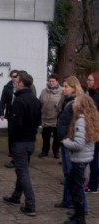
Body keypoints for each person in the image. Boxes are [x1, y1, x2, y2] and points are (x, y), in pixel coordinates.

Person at [3, 71, 41, 217]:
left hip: (20, 142)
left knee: (23, 172)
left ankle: (30, 205)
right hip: (31, 141)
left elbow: (15, 124)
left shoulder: (19, 101)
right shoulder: (35, 100)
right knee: (21, 170)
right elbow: (38, 121)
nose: (14, 84)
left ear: (21, 84)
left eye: (16, 81)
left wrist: (12, 142)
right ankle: (16, 196)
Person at [62, 94, 99, 224]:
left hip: (79, 160)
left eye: (75, 102)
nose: (73, 104)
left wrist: (66, 142)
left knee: (76, 188)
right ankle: (78, 213)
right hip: (85, 158)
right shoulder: (90, 118)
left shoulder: (81, 121)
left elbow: (78, 144)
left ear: (81, 106)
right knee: (73, 185)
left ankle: (80, 217)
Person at [55, 76, 88, 212]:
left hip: (70, 143)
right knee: (68, 173)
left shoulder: (76, 102)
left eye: (66, 86)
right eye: (63, 86)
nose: (63, 88)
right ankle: (67, 200)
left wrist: (68, 139)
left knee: (73, 174)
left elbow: (77, 124)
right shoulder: (67, 100)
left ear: (74, 88)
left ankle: (81, 207)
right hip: (65, 141)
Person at [38, 73, 62, 158]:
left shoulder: (62, 91)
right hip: (45, 118)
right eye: (49, 81)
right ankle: (45, 151)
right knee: (45, 137)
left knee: (56, 137)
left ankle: (56, 151)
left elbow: (63, 104)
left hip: (56, 119)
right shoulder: (44, 91)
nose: (51, 82)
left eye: (53, 81)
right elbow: (39, 103)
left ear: (57, 81)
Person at [0, 70, 19, 168]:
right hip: (10, 113)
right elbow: (2, 100)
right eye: (12, 76)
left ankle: (17, 149)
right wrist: (1, 113)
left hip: (19, 113)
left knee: (17, 132)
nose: (14, 78)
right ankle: (11, 151)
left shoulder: (22, 86)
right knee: (11, 132)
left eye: (15, 76)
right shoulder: (7, 87)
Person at [85, 72, 99, 193]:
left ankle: (93, 185)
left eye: (90, 80)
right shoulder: (92, 95)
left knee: (94, 159)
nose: (87, 82)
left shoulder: (96, 98)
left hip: (95, 132)